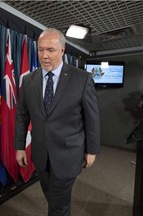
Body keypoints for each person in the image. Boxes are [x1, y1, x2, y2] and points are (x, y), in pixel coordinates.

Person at [14, 28, 100, 216]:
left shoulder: (82, 78)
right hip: (41, 154)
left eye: (50, 50)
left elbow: (91, 118)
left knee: (57, 204)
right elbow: (22, 115)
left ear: (62, 50)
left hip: (69, 154)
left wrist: (91, 149)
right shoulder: (28, 80)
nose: (44, 56)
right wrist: (19, 147)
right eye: (40, 49)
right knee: (53, 197)